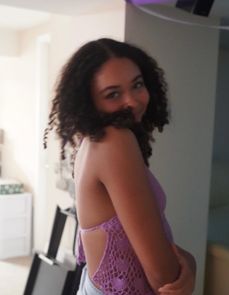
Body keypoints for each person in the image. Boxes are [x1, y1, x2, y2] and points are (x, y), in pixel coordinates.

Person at [44, 38, 196, 295]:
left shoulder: (91, 143)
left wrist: (188, 261)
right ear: (89, 101)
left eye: (137, 85)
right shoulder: (115, 141)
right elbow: (164, 277)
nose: (133, 101)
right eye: (113, 94)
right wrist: (190, 266)